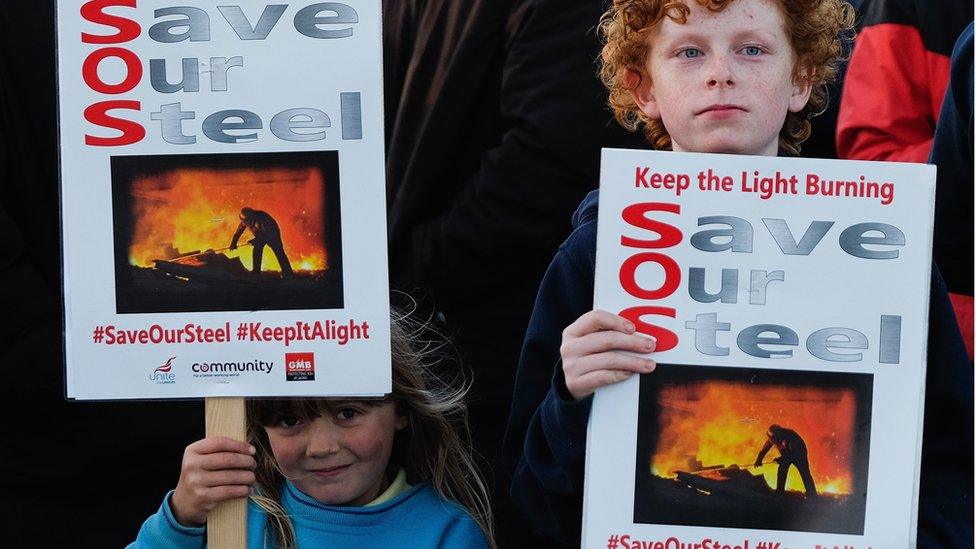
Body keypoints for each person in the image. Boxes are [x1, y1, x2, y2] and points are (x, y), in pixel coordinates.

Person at [506, 0, 972, 545]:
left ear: (800, 79)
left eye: (752, 49)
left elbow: (949, 467)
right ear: (645, 91)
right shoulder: (595, 255)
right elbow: (528, 505)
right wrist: (569, 399)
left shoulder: (886, 246)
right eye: (688, 52)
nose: (720, 72)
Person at [129, 317, 494, 548]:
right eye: (290, 421)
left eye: (348, 413)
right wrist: (179, 522)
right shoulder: (235, 512)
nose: (320, 447)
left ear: (401, 410)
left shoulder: (448, 533)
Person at [755, 424, 817, 497]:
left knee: (805, 473)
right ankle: (780, 492)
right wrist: (759, 460)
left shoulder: (790, 437)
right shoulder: (773, 437)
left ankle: (812, 495)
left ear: (778, 435)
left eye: (773, 439)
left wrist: (781, 459)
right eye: (771, 439)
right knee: (782, 470)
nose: (772, 441)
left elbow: (792, 454)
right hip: (787, 454)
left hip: (799, 454)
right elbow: (765, 448)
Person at [230, 207, 293, 276]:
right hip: (261, 235)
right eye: (243, 221)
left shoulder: (262, 219)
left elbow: (266, 235)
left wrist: (255, 241)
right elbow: (239, 232)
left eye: (245, 221)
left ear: (250, 218)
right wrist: (233, 243)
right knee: (257, 250)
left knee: (279, 252)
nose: (244, 223)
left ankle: (288, 273)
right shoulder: (245, 221)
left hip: (272, 234)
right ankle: (256, 273)